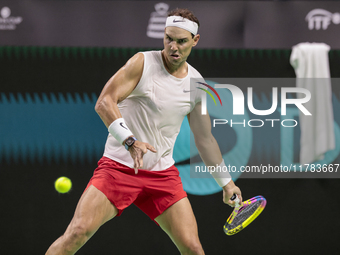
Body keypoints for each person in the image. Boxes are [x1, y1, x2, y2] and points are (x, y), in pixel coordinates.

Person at [46, 8, 242, 255]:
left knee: (193, 248)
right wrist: (130, 141)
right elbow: (104, 102)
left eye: (181, 41)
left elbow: (204, 139)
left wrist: (226, 183)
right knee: (77, 233)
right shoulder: (142, 62)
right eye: (168, 38)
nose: (173, 47)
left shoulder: (197, 85)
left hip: (162, 176)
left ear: (195, 41)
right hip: (118, 169)